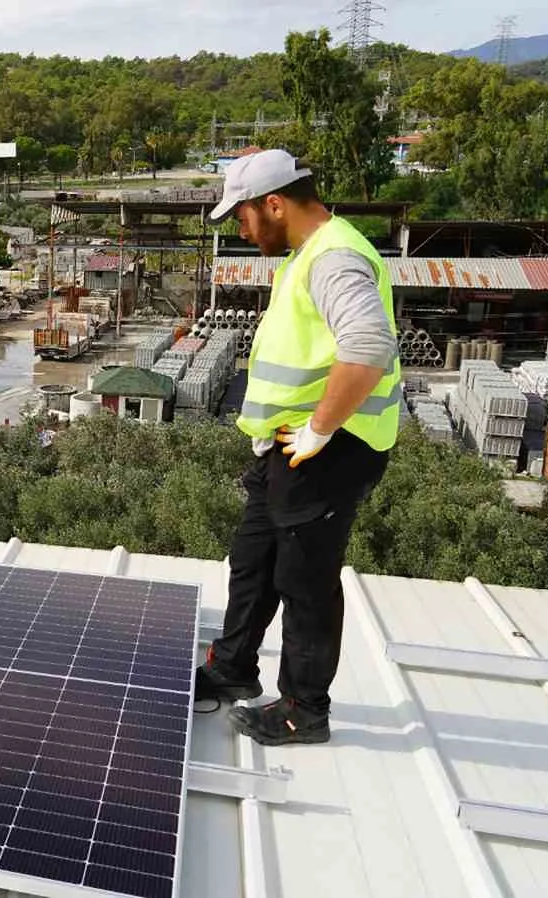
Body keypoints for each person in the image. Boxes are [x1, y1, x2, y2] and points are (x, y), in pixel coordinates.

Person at [195, 149, 402, 747]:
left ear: (275, 204)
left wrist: (319, 428)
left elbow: (367, 345)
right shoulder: (306, 254)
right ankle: (232, 669)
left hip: (330, 451)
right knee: (253, 558)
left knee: (305, 581)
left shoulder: (334, 257)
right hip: (290, 449)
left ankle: (303, 710)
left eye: (242, 216)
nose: (240, 228)